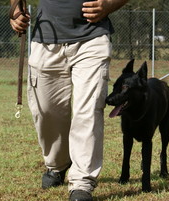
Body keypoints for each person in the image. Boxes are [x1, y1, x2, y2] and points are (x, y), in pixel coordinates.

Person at [9, 0, 128, 200]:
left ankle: (82, 182)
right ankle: (57, 165)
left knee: (88, 112)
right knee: (46, 112)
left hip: (92, 38)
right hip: (46, 39)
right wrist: (15, 11)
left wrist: (108, 5)